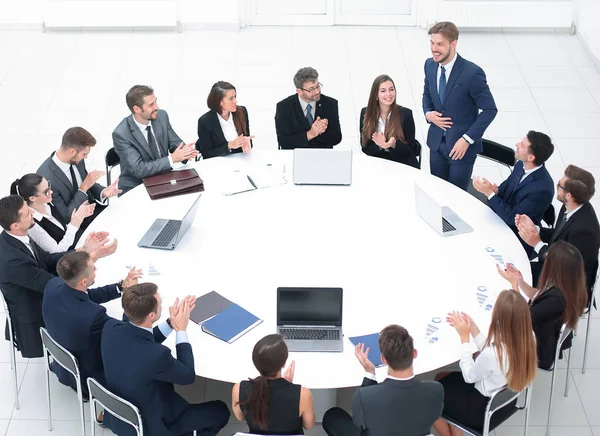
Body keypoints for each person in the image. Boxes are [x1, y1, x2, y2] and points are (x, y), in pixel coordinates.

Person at [101, 283, 230, 436]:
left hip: (118, 412)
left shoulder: (110, 328)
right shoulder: (157, 355)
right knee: (220, 411)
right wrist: (181, 330)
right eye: (160, 301)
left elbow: (140, 339)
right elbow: (188, 376)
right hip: (152, 424)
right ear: (151, 315)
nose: (162, 302)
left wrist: (171, 323)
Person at [0, 195, 117, 358]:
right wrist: (89, 260)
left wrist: (83, 250)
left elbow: (47, 259)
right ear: (15, 225)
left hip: (42, 291)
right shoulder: (12, 261)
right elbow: (53, 285)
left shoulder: (18, 236)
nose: (32, 213)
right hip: (38, 312)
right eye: (27, 213)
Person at [433, 291, 537, 436]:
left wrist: (464, 338)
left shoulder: (493, 354)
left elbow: (469, 376)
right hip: (505, 403)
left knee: (431, 395)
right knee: (442, 377)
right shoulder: (529, 337)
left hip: (481, 410)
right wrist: (474, 330)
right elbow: (494, 356)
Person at [42, 251, 141, 397]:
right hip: (88, 375)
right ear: (83, 281)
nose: (96, 270)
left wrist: (121, 287)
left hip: (62, 361)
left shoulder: (53, 285)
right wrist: (131, 296)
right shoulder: (94, 315)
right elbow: (123, 333)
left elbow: (87, 296)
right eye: (93, 268)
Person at [322, 325, 443, 436]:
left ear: (383, 359)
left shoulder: (365, 396)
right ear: (414, 353)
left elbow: (359, 424)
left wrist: (370, 373)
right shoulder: (436, 390)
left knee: (332, 416)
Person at [422, 21, 497, 191]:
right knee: (437, 191)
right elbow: (427, 93)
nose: (434, 48)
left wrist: (467, 139)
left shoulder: (472, 73)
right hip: (436, 144)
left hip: (460, 149)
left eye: (440, 44)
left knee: (455, 198)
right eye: (432, 43)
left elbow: (490, 110)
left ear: (453, 44)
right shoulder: (429, 65)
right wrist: (428, 113)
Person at [516, 164, 600, 302]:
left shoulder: (584, 230)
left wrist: (537, 244)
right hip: (554, 269)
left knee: (514, 280)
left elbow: (565, 266)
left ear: (569, 195)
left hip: (566, 283)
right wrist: (535, 229)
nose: (557, 187)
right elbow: (559, 234)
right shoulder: (570, 205)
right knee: (513, 269)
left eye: (559, 185)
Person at [498, 241, 588, 369]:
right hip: (542, 333)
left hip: (536, 348)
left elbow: (521, 316)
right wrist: (520, 281)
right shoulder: (568, 286)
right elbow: (539, 295)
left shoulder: (556, 300)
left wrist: (514, 285)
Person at [473, 131, 555, 252]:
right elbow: (507, 185)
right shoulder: (521, 164)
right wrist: (496, 191)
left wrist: (490, 194)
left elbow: (513, 219)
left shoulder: (543, 189)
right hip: (500, 216)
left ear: (531, 157)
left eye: (521, 145)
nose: (516, 145)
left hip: (515, 235)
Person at [112, 85, 199, 194]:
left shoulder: (161, 116)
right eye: (151, 105)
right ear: (137, 109)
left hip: (163, 178)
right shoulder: (121, 134)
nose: (156, 107)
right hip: (137, 185)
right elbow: (139, 169)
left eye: (155, 102)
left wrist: (185, 151)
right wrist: (171, 159)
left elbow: (174, 142)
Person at [37, 127, 121, 229]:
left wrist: (103, 192)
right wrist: (83, 188)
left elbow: (85, 181)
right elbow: (66, 217)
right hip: (78, 227)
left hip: (95, 210)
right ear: (72, 151)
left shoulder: (76, 159)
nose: (86, 157)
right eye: (84, 154)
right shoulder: (46, 179)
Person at [232, 334, 315, 435]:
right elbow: (308, 425)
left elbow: (240, 417)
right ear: (284, 364)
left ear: (256, 363)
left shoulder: (239, 389)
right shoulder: (303, 394)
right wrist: (289, 387)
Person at [10, 174, 95, 253]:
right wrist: (74, 225)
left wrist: (78, 217)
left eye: (49, 186)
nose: (51, 192)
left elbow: (61, 231)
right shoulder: (33, 225)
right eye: (46, 191)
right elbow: (56, 251)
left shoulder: (47, 204)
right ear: (32, 198)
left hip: (75, 247)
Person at [360, 75, 420, 168]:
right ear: (376, 94)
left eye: (391, 89)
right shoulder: (366, 113)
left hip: (403, 164)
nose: (388, 94)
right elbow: (365, 146)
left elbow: (412, 149)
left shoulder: (406, 114)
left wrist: (393, 144)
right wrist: (380, 146)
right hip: (378, 164)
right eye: (383, 91)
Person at [275, 67, 342, 150]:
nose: (317, 92)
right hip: (295, 156)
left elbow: (337, 138)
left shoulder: (330, 104)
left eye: (317, 86)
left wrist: (321, 132)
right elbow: (284, 142)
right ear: (299, 91)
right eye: (311, 89)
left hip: (323, 156)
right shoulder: (284, 107)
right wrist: (310, 134)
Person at [196, 81, 254, 159]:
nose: (235, 101)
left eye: (235, 97)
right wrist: (229, 146)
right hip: (218, 161)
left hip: (239, 159)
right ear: (219, 101)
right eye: (231, 99)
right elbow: (206, 153)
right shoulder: (205, 121)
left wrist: (246, 142)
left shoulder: (242, 111)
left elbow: (247, 137)